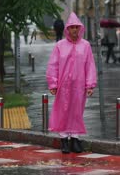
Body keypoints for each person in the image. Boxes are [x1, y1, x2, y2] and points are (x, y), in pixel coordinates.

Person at [46, 12, 97, 154]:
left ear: (80, 29)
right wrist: (53, 84)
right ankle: (64, 140)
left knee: (77, 111)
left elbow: (90, 66)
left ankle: (75, 138)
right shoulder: (60, 45)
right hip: (63, 85)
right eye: (72, 27)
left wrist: (90, 85)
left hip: (79, 85)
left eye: (77, 27)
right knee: (63, 110)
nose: (74, 30)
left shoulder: (85, 45)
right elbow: (53, 65)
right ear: (67, 29)